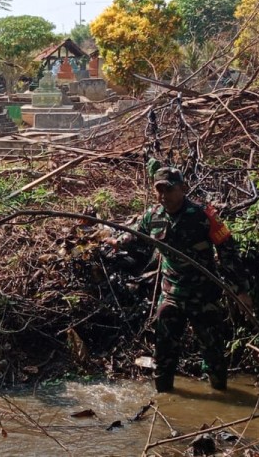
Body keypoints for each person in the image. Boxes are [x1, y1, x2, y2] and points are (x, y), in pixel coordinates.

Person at [107, 166, 250, 392]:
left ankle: (221, 395)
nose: (164, 196)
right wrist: (118, 241)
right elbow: (136, 233)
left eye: (169, 190)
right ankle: (163, 399)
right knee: (163, 354)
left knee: (213, 355)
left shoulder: (203, 217)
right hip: (171, 294)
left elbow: (227, 250)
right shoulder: (153, 216)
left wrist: (240, 290)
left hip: (203, 297)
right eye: (160, 191)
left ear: (183, 189)